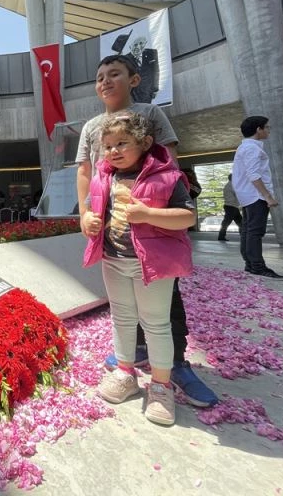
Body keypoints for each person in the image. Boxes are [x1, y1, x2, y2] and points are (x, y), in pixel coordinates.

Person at [76, 54, 218, 408]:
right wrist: (84, 213)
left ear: (134, 79)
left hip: (153, 232)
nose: (105, 82)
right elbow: (84, 171)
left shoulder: (151, 114)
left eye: (115, 74)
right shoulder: (92, 126)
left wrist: (157, 211)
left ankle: (175, 366)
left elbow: (168, 164)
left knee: (165, 305)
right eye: (100, 77)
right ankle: (132, 360)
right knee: (123, 306)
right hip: (113, 233)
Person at [84, 112, 195, 426]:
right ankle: (125, 372)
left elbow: (187, 217)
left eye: (122, 143)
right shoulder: (102, 178)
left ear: (145, 143)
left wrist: (147, 214)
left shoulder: (168, 178)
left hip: (153, 264)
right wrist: (88, 222)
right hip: (113, 260)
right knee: (121, 317)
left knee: (156, 323)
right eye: (107, 146)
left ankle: (160, 386)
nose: (113, 151)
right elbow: (94, 213)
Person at [232, 116, 283, 280]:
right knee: (255, 231)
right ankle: (257, 266)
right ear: (258, 129)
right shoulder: (252, 149)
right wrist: (268, 196)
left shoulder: (245, 147)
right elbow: (254, 175)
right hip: (255, 195)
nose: (268, 130)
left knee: (248, 231)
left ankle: (250, 264)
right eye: (267, 127)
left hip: (248, 195)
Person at [218, 174, 242, 241]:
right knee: (227, 222)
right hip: (231, 206)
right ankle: (221, 236)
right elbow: (237, 193)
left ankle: (243, 235)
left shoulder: (229, 185)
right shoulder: (231, 185)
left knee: (239, 222)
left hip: (232, 206)